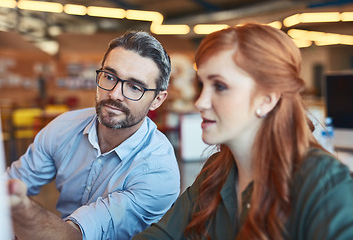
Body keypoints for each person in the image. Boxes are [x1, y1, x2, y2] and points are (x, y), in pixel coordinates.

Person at [133, 23, 353, 240]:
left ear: (267, 100)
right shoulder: (217, 173)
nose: (200, 102)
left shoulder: (324, 182)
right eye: (202, 85)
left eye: (219, 86)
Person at [5, 30, 181, 240]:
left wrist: (20, 209)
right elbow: (12, 184)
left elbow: (76, 236)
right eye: (109, 77)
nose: (114, 94)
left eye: (134, 87)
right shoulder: (64, 128)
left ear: (157, 100)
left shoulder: (158, 170)